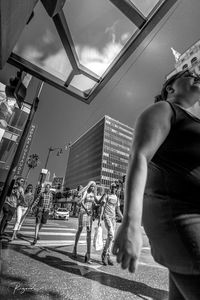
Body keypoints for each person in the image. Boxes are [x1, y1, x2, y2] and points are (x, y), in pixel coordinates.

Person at [112, 69, 200, 299]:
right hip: (180, 220)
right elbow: (139, 156)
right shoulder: (164, 109)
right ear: (170, 88)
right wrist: (130, 223)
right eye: (189, 73)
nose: (196, 75)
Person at [72, 181, 98, 264]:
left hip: (89, 215)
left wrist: (95, 210)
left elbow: (95, 204)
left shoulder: (94, 195)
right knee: (79, 230)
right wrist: (86, 210)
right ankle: (75, 248)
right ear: (89, 186)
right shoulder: (85, 192)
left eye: (94, 187)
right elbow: (81, 202)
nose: (92, 188)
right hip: (83, 213)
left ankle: (88, 254)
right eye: (91, 186)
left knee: (89, 233)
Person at [99, 182, 123, 266]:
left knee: (111, 238)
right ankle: (104, 254)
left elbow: (118, 210)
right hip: (107, 217)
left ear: (116, 189)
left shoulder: (117, 198)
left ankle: (108, 256)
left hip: (113, 219)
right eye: (113, 187)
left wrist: (123, 218)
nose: (114, 188)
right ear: (110, 187)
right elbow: (102, 207)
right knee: (111, 235)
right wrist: (100, 218)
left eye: (115, 187)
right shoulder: (107, 195)